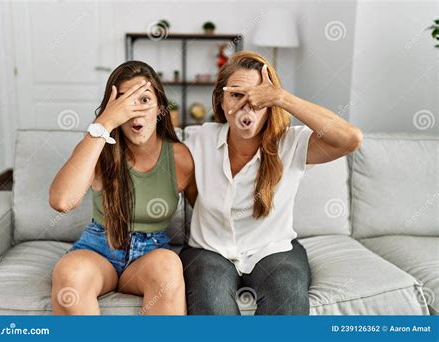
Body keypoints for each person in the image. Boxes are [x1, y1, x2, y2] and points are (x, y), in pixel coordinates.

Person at [181, 51, 363, 315]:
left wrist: (282, 97)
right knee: (211, 297)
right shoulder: (199, 139)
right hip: (209, 251)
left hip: (273, 250)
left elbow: (351, 139)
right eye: (236, 95)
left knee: (287, 292)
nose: (248, 106)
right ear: (221, 102)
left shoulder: (291, 142)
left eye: (259, 97)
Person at [49, 61, 196, 315]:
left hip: (149, 256)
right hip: (98, 249)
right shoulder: (98, 148)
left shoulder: (179, 158)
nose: (135, 112)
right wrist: (104, 123)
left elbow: (210, 210)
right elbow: (61, 201)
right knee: (69, 274)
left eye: (144, 100)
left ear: (160, 107)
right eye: (126, 102)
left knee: (169, 267)